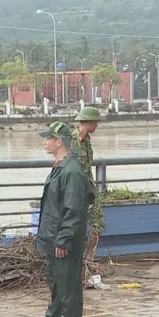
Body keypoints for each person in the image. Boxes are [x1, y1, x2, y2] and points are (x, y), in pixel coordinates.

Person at [32, 121, 94, 317]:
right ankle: (54, 315)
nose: (44, 142)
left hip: (63, 238)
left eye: (47, 138)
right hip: (52, 234)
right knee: (55, 278)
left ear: (59, 142)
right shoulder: (60, 167)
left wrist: (64, 239)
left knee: (68, 279)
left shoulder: (72, 172)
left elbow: (74, 209)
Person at [70, 106, 105, 261]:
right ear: (89, 122)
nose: (97, 126)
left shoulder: (87, 140)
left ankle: (89, 258)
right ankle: (74, 259)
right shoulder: (71, 140)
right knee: (73, 225)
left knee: (97, 223)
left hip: (88, 188)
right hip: (75, 189)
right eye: (95, 122)